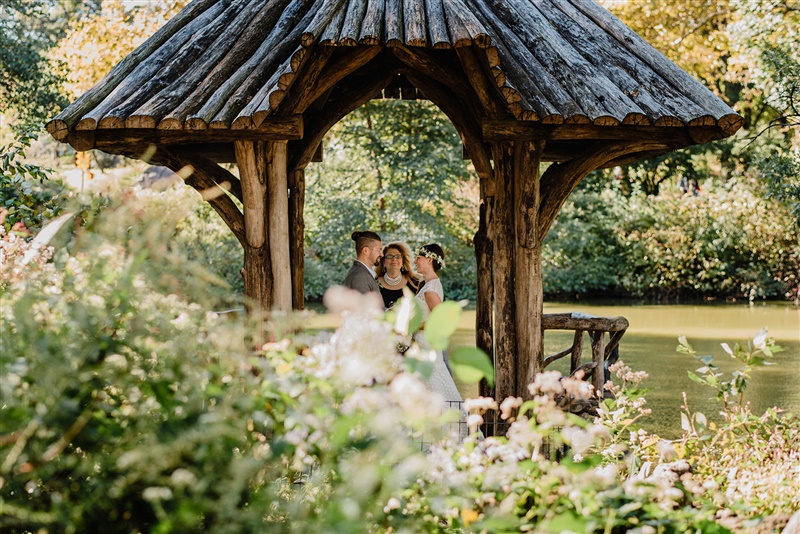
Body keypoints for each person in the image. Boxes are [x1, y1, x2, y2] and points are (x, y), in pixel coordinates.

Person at [414, 243, 467, 440]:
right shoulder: (431, 285)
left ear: (429, 260)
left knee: (434, 386)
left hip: (425, 344)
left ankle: (447, 433)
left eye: (418, 257)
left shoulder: (430, 289)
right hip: (425, 345)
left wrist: (411, 327)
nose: (415, 261)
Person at [377, 241, 421, 309]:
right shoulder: (374, 283)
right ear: (383, 262)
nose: (394, 259)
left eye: (398, 256)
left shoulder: (415, 282)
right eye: (389, 256)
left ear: (403, 261)